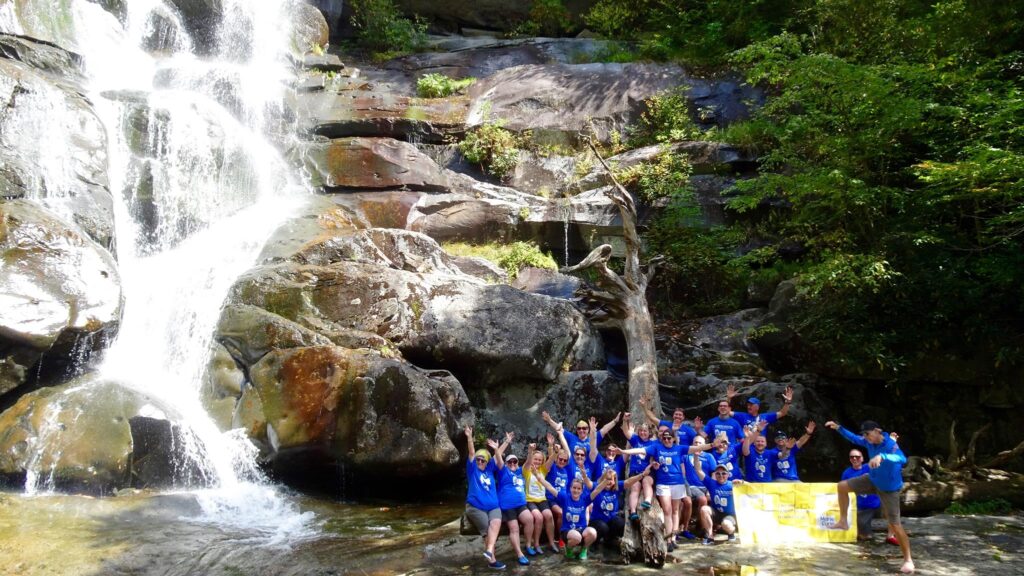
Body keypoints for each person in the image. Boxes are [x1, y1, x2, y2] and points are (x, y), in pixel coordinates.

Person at [825, 420, 914, 574]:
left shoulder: (890, 445)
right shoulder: (868, 442)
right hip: (872, 480)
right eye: (864, 435)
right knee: (842, 486)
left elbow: (902, 459)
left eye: (867, 434)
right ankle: (843, 521)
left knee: (895, 525)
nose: (865, 437)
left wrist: (882, 456)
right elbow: (854, 438)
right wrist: (838, 427)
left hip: (889, 489)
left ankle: (908, 560)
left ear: (877, 431)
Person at [613, 430, 722, 551]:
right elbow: (640, 450)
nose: (666, 440)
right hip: (663, 484)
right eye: (664, 438)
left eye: (669, 438)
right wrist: (623, 451)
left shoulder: (679, 448)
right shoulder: (656, 447)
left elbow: (697, 448)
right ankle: (668, 539)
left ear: (673, 439)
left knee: (675, 511)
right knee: (667, 511)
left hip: (678, 483)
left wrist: (712, 444)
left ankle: (673, 538)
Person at [463, 425, 505, 570]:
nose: (480, 461)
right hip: (476, 507)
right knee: (488, 531)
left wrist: (505, 443)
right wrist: (469, 437)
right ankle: (492, 561)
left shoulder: (489, 470)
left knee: (496, 522)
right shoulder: (473, 469)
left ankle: (489, 550)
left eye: (483, 460)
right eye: (478, 459)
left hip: (493, 506)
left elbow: (498, 456)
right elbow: (471, 452)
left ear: (487, 462)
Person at [492, 432, 534, 566]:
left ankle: (528, 545)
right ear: (506, 463)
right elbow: (498, 459)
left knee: (529, 519)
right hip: (507, 506)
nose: (512, 463)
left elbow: (528, 462)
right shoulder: (503, 471)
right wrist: (505, 443)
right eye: (509, 462)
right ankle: (519, 554)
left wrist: (530, 451)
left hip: (520, 505)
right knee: (514, 528)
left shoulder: (521, 471)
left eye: (514, 461)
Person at [534, 475, 598, 560]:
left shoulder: (585, 499)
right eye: (574, 488)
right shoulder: (565, 497)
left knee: (593, 533)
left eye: (579, 488)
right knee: (577, 537)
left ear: (582, 491)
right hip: (567, 531)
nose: (576, 490)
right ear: (570, 488)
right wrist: (540, 479)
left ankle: (584, 550)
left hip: (581, 530)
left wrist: (606, 481)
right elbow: (550, 488)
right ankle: (569, 549)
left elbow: (597, 490)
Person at [693, 455, 743, 546]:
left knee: (726, 524)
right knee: (704, 509)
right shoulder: (711, 483)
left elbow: (749, 488)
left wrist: (742, 482)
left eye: (723, 473)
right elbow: (698, 470)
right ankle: (710, 536)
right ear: (715, 475)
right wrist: (696, 456)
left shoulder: (732, 484)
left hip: (729, 515)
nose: (721, 475)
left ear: (728, 475)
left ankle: (731, 533)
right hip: (716, 513)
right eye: (718, 473)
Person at [621, 412, 657, 521]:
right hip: (635, 470)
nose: (642, 432)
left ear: (649, 432)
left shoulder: (653, 443)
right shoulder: (635, 439)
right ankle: (632, 512)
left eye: (645, 431)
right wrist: (625, 420)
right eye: (641, 430)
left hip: (648, 470)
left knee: (647, 482)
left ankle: (647, 500)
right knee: (635, 488)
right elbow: (626, 432)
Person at [523, 439, 557, 555]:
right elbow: (528, 462)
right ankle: (536, 544)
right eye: (535, 459)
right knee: (539, 517)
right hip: (530, 500)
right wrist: (530, 451)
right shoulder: (527, 470)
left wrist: (555, 451)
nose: (537, 461)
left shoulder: (543, 470)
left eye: (540, 460)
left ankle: (551, 542)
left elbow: (551, 460)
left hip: (542, 499)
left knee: (549, 515)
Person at [840, 447, 882, 541]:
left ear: (862, 458)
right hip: (860, 506)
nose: (854, 459)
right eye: (852, 457)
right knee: (865, 536)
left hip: (875, 503)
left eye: (857, 457)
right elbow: (843, 490)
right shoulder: (846, 473)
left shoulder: (869, 467)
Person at [726, 383, 794, 438]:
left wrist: (788, 402)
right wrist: (729, 398)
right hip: (747, 444)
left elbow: (782, 413)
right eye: (748, 405)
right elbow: (727, 412)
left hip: (760, 444)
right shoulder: (742, 416)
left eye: (751, 405)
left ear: (757, 407)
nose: (749, 407)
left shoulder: (765, 416)